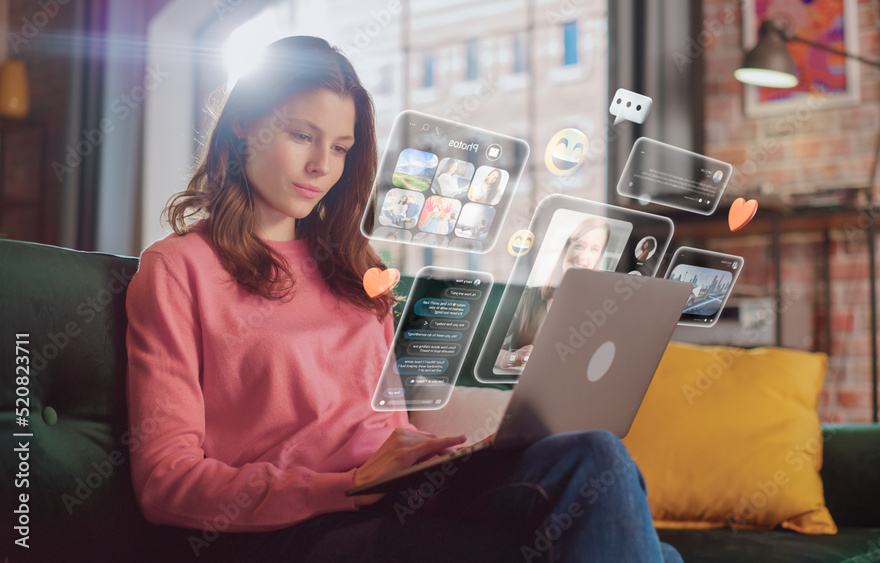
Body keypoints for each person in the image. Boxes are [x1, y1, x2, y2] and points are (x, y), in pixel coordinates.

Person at [125, 36, 681, 563]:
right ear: (245, 124)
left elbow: (391, 427)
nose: (323, 165)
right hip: (299, 530)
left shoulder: (357, 269)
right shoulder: (178, 269)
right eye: (301, 135)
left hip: (407, 499)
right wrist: (343, 484)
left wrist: (449, 451)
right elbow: (164, 482)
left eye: (340, 147)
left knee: (594, 454)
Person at [496, 216, 611, 371]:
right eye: (579, 245)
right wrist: (514, 358)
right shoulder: (530, 296)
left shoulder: (602, 309)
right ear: (566, 250)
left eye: (594, 249)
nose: (583, 256)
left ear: (599, 257)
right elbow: (490, 354)